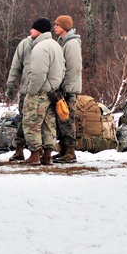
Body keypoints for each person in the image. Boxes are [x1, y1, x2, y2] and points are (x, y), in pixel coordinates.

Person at [20, 17, 65, 166]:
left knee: (31, 122)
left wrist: (31, 91)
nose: (30, 31)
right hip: (52, 92)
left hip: (39, 93)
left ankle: (34, 155)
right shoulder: (56, 45)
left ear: (39, 30)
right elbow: (63, 69)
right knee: (48, 124)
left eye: (32, 28)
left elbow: (38, 74)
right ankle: (47, 155)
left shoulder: (40, 47)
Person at [5, 27, 38, 161]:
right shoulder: (24, 44)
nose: (30, 31)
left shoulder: (48, 44)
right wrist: (10, 85)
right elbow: (16, 66)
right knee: (23, 120)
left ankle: (37, 152)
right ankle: (19, 149)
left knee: (39, 123)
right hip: (26, 90)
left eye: (34, 29)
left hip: (43, 91)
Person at [53, 15, 82, 163]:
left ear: (64, 26)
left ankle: (70, 152)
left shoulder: (71, 44)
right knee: (62, 120)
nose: (55, 27)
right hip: (63, 88)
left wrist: (66, 88)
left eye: (57, 25)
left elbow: (73, 68)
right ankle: (64, 149)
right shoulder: (62, 42)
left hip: (69, 89)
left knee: (68, 120)